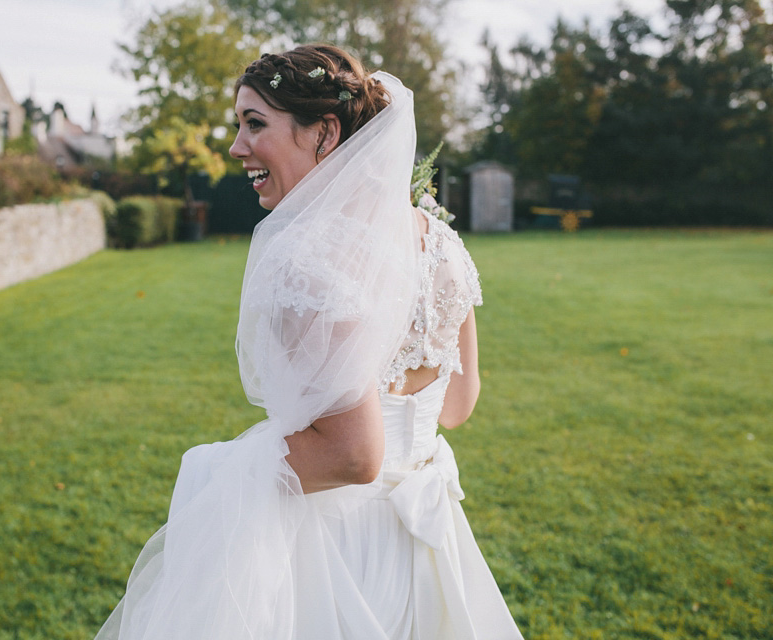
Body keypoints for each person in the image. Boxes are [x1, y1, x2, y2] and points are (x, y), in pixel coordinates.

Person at [95, 44, 523, 640]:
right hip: (428, 544)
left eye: (254, 124)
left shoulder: (308, 259)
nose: (236, 146)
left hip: (333, 554)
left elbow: (355, 457)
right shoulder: (440, 243)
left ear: (323, 132)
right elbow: (456, 405)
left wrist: (220, 469)